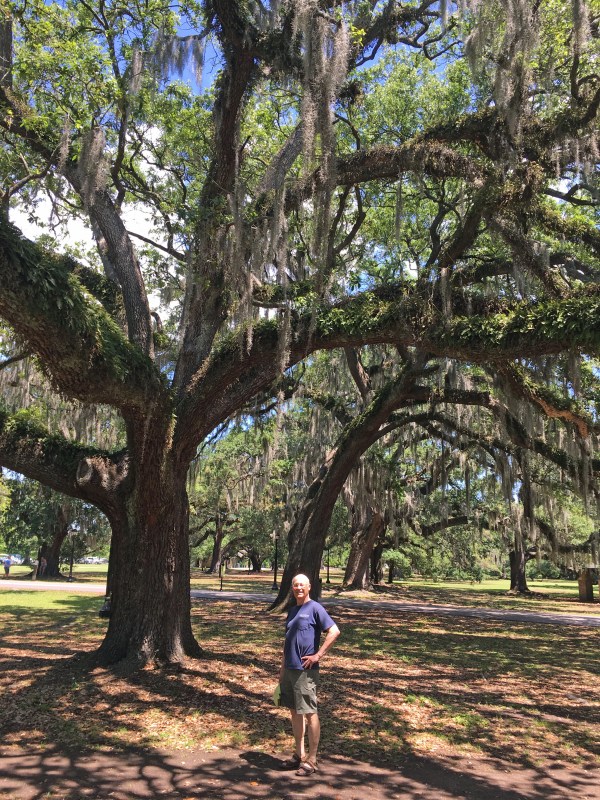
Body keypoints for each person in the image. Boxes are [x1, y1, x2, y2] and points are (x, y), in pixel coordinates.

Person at [278, 573, 340, 776]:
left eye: (302, 585)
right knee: (295, 712)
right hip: (290, 669)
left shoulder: (315, 608)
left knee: (310, 713)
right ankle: (299, 755)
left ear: (309, 587)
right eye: (295, 585)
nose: (298, 588)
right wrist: (282, 670)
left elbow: (334, 631)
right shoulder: (293, 610)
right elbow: (287, 641)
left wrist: (318, 655)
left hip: (306, 672)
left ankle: (312, 760)